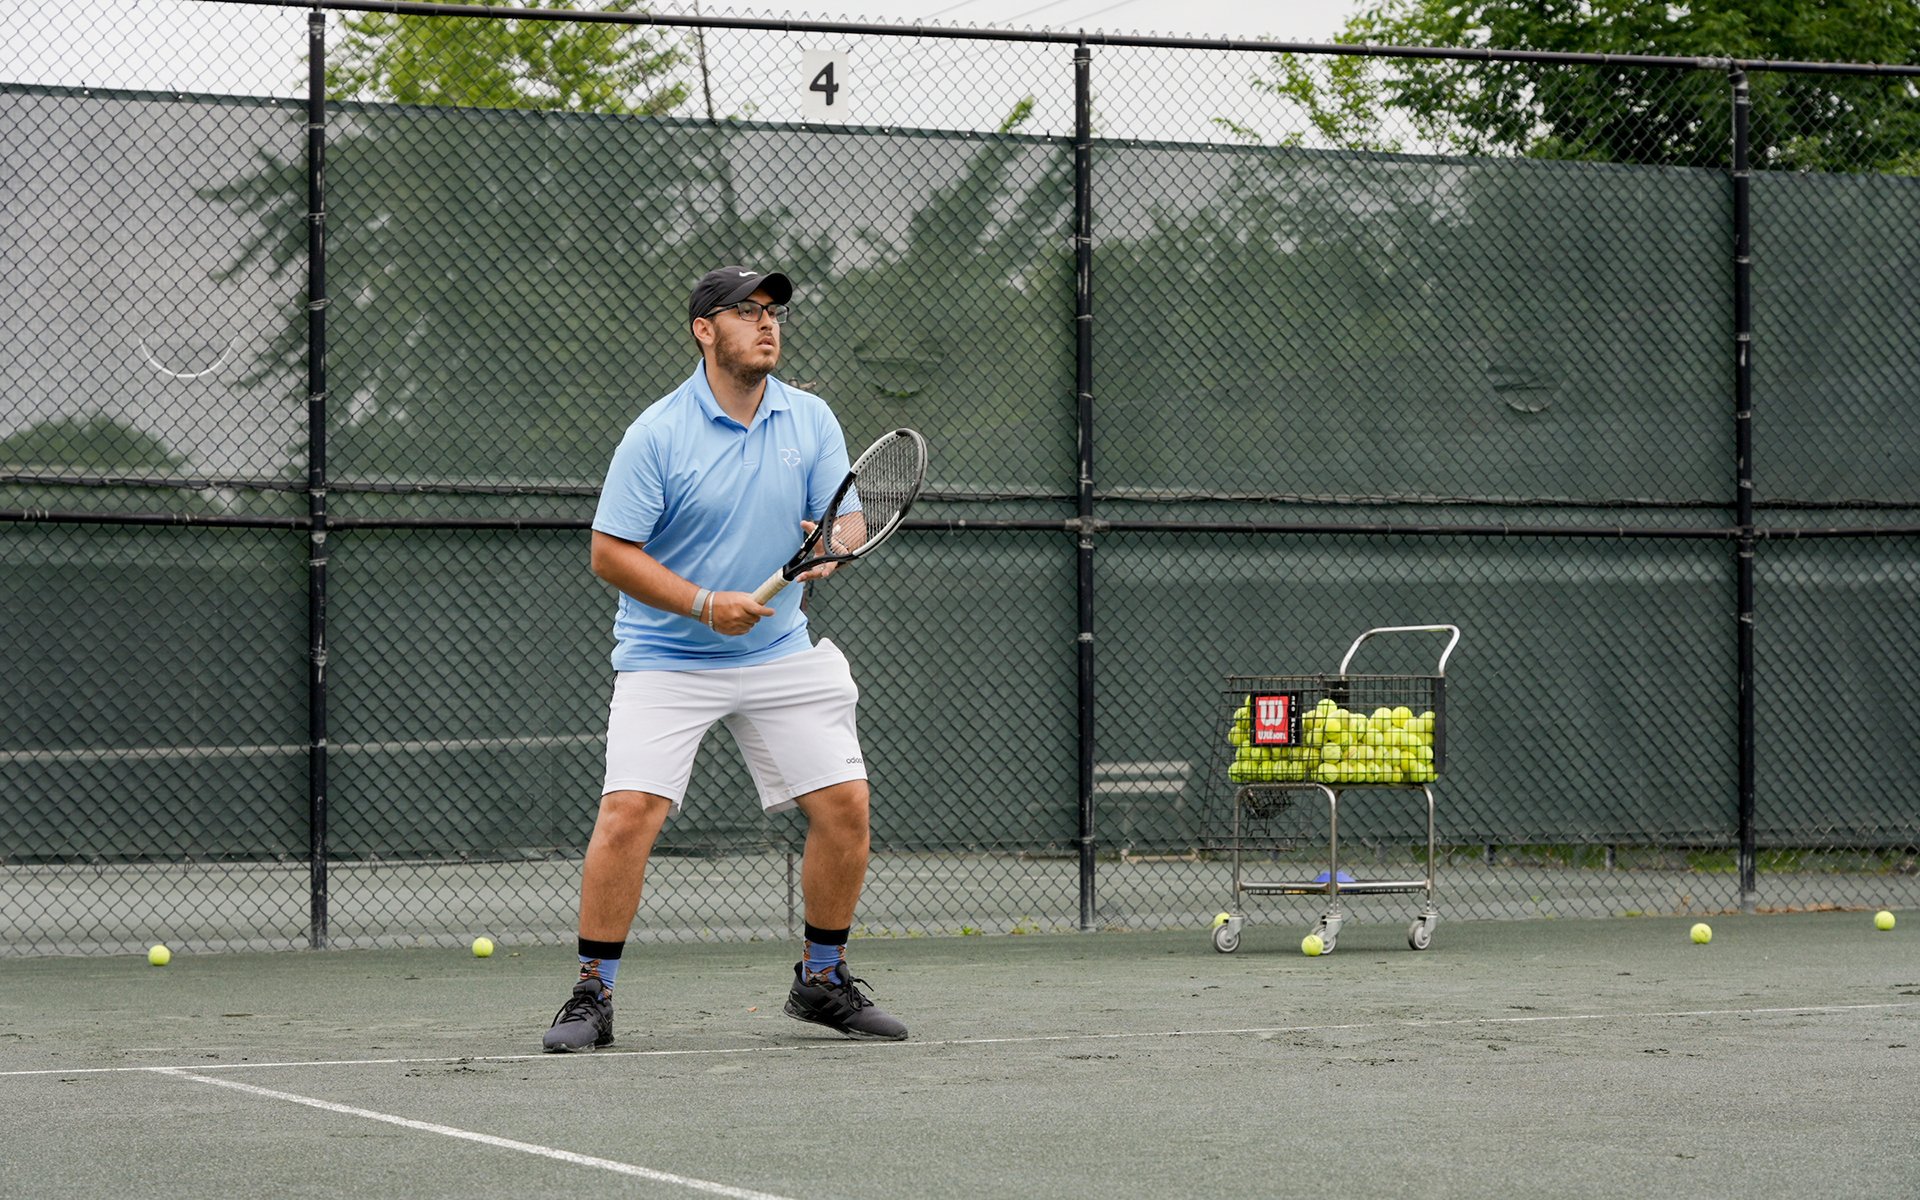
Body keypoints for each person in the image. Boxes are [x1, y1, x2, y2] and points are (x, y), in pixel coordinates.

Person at [541, 265, 908, 1050]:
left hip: (779, 650)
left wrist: (835, 545)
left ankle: (822, 979)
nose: (767, 323)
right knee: (627, 814)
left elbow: (845, 520)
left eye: (774, 311)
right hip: (665, 657)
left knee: (846, 805)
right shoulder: (656, 434)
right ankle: (591, 994)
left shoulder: (810, 419)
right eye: (746, 311)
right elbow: (610, 553)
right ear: (704, 330)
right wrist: (706, 604)